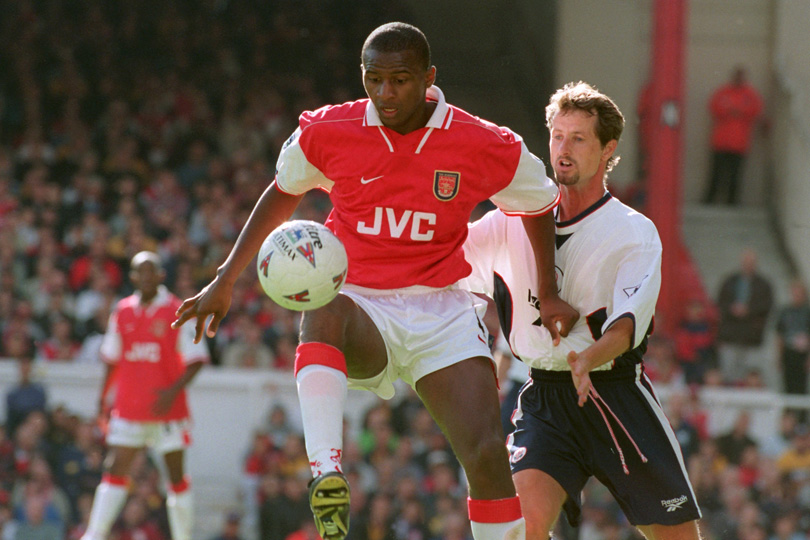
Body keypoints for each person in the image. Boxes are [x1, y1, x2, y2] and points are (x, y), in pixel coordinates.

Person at [172, 21, 577, 540]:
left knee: (486, 459)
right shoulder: (327, 130)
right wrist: (225, 278)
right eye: (374, 79)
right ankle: (327, 473)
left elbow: (539, 203)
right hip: (361, 306)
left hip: (443, 310)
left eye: (401, 80)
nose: (386, 93)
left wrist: (548, 292)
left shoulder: (482, 142)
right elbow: (283, 191)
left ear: (429, 77)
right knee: (323, 298)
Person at [461, 82, 702, 539]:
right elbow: (445, 269)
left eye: (578, 138)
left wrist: (588, 359)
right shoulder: (507, 220)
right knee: (520, 530)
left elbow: (627, 327)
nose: (562, 149)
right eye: (556, 135)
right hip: (544, 402)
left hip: (614, 395)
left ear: (608, 149)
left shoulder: (634, 231)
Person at [81, 251, 209, 540]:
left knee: (175, 477)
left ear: (162, 275)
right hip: (129, 408)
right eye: (141, 271)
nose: (147, 276)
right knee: (115, 468)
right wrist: (103, 399)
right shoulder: (122, 310)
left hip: (169, 411)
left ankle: (183, 537)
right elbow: (112, 360)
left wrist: (172, 392)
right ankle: (94, 534)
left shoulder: (178, 310)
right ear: (133, 277)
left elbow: (197, 359)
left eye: (152, 271)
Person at [703, 66, 764, 205]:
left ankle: (732, 202)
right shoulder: (724, 92)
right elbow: (714, 107)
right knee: (716, 173)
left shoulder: (750, 95)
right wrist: (732, 111)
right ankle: (710, 200)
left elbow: (755, 110)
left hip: (739, 143)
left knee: (735, 175)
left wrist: (738, 111)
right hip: (720, 141)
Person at [715, 248, 773, 386]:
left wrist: (749, 310)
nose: (748, 265)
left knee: (750, 374)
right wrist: (733, 309)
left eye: (751, 262)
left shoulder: (763, 285)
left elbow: (767, 305)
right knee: (729, 374)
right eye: (746, 262)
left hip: (751, 337)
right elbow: (720, 302)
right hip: (730, 334)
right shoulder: (730, 281)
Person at [774, 279, 810, 395]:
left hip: (803, 354)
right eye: (794, 293)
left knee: (802, 387)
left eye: (799, 293)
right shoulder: (785, 312)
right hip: (788, 353)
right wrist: (779, 356)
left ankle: (801, 413)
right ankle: (789, 413)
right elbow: (779, 335)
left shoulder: (807, 312)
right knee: (787, 386)